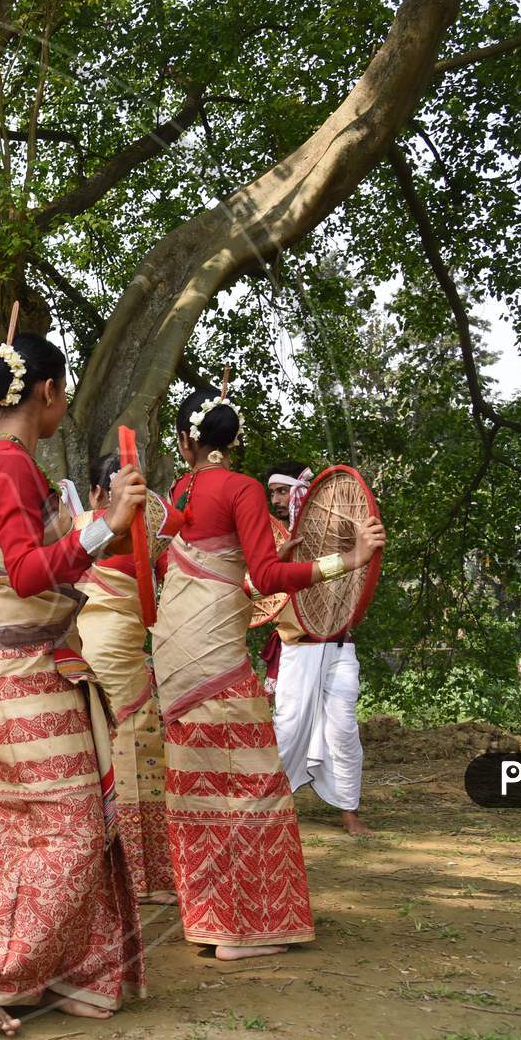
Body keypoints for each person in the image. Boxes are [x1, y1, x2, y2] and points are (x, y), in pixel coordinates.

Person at [0, 332, 148, 1035]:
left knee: (16, 824)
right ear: (48, 391)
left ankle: (55, 964)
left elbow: (23, 563)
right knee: (74, 822)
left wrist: (108, 530)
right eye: (66, 392)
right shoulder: (12, 467)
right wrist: (105, 525)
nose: (66, 404)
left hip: (8, 657)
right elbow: (27, 573)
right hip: (11, 663)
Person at [153, 390, 384, 960]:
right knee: (250, 781)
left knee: (198, 781)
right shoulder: (242, 488)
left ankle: (208, 919)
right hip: (215, 652)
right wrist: (347, 561)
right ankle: (243, 930)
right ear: (233, 444)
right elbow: (267, 573)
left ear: (186, 442)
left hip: (176, 649)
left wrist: (282, 555)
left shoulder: (180, 491)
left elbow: (205, 567)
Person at [72, 453, 175, 904]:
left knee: (87, 757)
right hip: (124, 661)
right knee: (138, 752)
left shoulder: (79, 530)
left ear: (97, 493)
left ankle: (90, 874)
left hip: (80, 657)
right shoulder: (153, 539)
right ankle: (147, 877)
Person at [262, 463, 372, 837]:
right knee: (289, 729)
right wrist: (278, 557)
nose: (276, 499)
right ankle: (269, 807)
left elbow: (360, 546)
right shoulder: (267, 537)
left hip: (341, 644)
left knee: (343, 730)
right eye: (272, 492)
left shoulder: (332, 531)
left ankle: (350, 813)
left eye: (282, 491)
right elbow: (255, 586)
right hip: (299, 645)